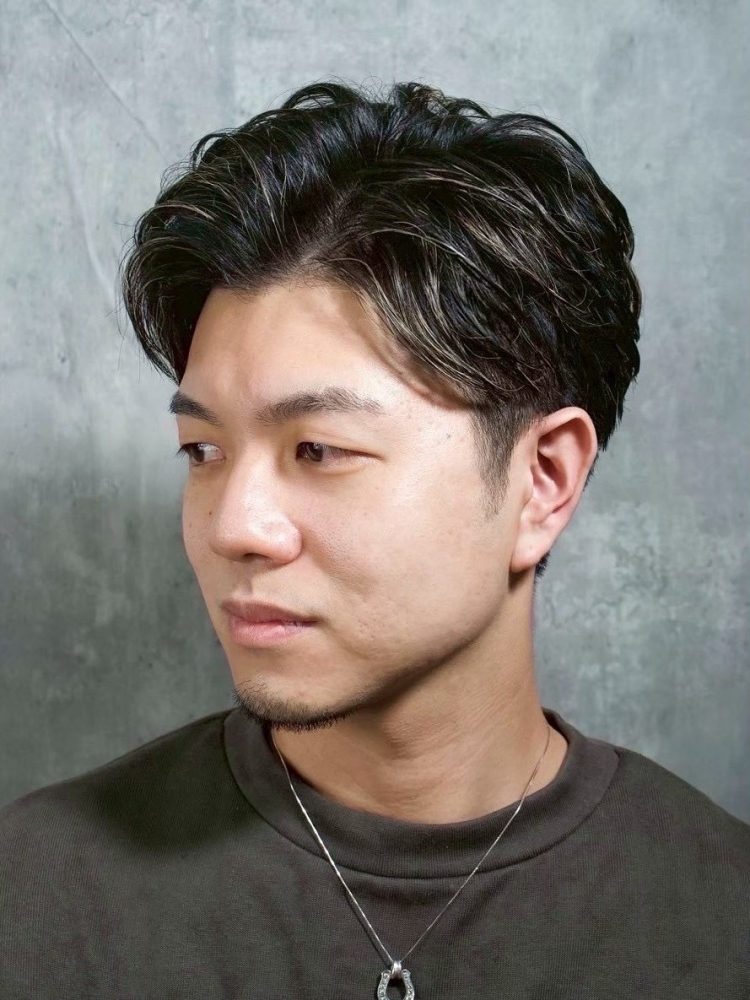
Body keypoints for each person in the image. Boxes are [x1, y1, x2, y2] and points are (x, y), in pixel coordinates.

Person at [1, 80, 748, 1000]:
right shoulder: (38, 898)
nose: (233, 527)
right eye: (203, 450)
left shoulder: (720, 918)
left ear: (543, 481)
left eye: (318, 450)